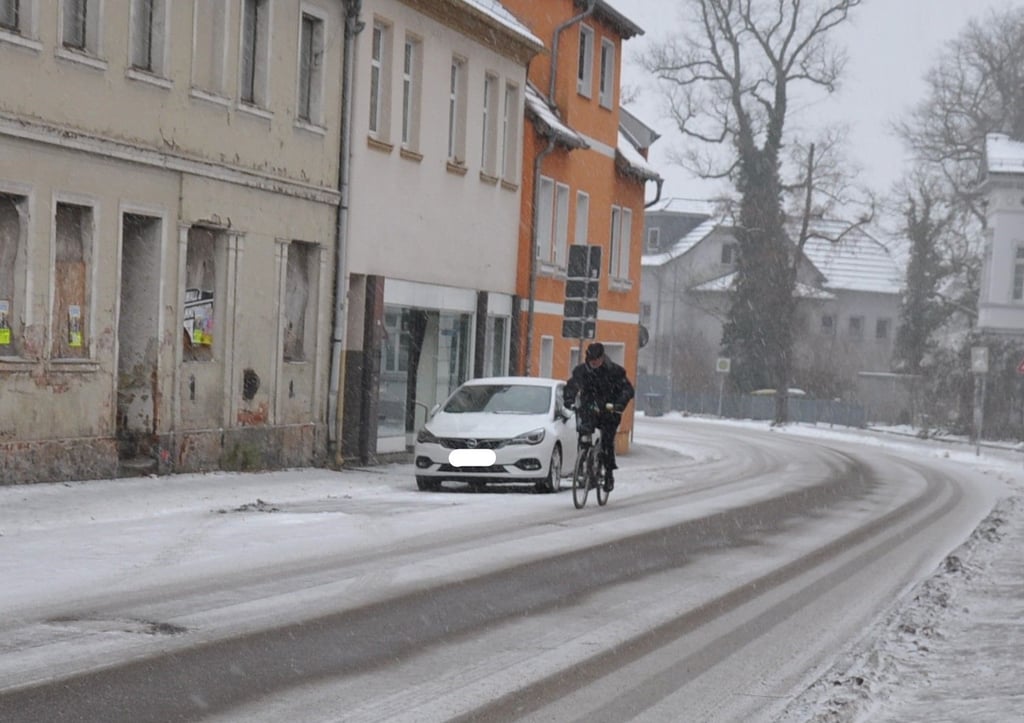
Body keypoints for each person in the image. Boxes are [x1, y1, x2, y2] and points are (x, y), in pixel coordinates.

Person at [563, 342, 635, 490]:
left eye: (596, 359)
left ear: (602, 358)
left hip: (609, 411)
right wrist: (569, 400)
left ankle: (608, 473)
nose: (594, 362)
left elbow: (627, 390)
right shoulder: (581, 371)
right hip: (589, 408)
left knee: (607, 441)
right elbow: (571, 386)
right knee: (583, 432)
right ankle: (584, 463)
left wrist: (619, 404)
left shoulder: (614, 372)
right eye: (591, 359)